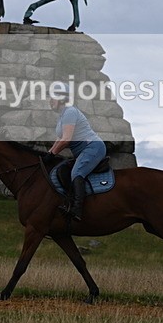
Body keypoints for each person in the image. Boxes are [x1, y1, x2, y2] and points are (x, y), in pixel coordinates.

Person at [47, 83, 106, 221]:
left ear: (62, 98)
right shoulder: (62, 116)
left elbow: (66, 140)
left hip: (93, 147)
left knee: (76, 172)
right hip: (85, 149)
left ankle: (77, 210)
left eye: (53, 97)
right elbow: (59, 138)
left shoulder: (70, 112)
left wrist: (52, 154)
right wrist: (48, 154)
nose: (50, 100)